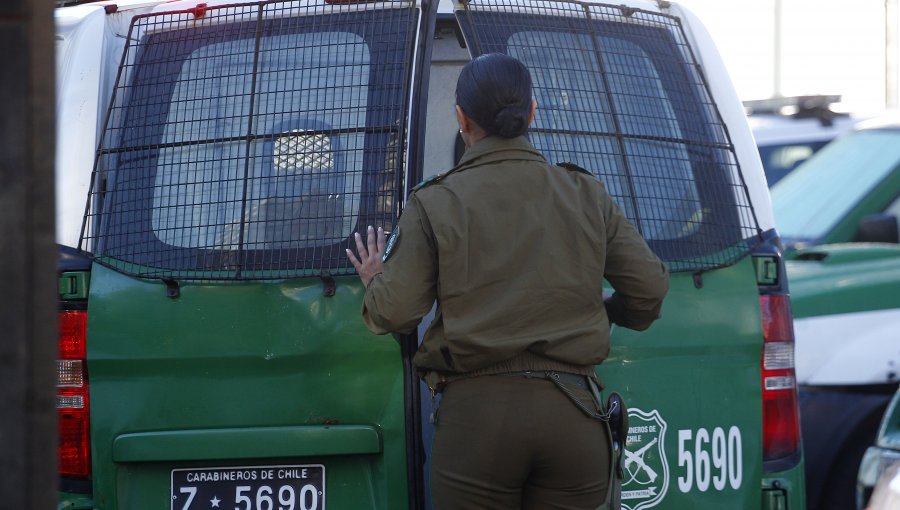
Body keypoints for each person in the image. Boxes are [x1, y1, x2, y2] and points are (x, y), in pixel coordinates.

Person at [347, 53, 669, 509]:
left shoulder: (435, 201)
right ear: (532, 112)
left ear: (461, 118)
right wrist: (606, 309)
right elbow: (649, 291)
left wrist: (377, 279)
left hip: (478, 427)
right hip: (574, 418)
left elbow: (394, 312)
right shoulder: (584, 193)